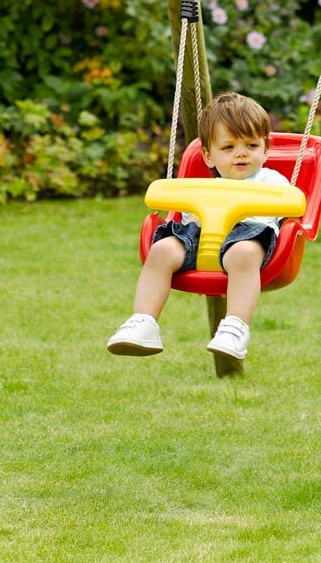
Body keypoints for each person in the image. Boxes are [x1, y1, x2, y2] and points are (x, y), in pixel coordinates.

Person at [107, 92, 291, 362]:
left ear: (266, 149)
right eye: (228, 148)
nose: (241, 153)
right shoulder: (202, 182)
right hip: (197, 235)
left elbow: (293, 204)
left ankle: (235, 326)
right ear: (208, 155)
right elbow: (174, 205)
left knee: (242, 255)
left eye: (251, 145)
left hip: (248, 235)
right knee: (162, 250)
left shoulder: (271, 180)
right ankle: (144, 322)